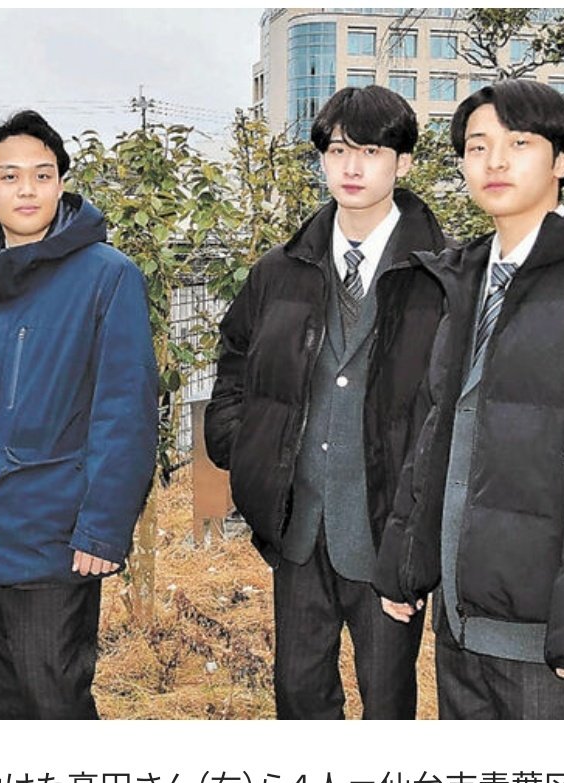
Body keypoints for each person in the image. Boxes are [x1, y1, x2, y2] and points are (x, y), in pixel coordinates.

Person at [374, 80, 564, 719]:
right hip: (462, 618)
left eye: (519, 143)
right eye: (477, 146)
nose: (495, 161)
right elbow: (438, 430)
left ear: (562, 160)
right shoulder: (466, 275)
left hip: (549, 635)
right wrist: (405, 563)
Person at [204, 86, 448, 719]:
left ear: (404, 162)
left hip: (386, 530)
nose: (352, 167)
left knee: (387, 702)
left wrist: (419, 529)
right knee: (298, 694)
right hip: (296, 525)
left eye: (371, 151)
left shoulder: (441, 276)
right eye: (338, 150)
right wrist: (243, 445)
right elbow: (234, 357)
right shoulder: (279, 270)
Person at [0, 110, 158, 719]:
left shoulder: (107, 276)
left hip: (53, 537)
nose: (27, 190)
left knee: (53, 701)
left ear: (61, 182)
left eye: (42, 174)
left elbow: (125, 409)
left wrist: (103, 527)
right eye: (9, 176)